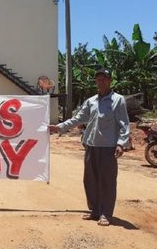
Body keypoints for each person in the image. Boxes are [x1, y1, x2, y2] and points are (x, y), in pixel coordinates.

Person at [48, 68, 130, 226]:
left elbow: (124, 124)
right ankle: (94, 210)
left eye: (104, 79)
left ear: (110, 81)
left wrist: (121, 143)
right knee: (90, 180)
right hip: (91, 145)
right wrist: (59, 127)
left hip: (108, 147)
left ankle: (106, 213)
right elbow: (78, 118)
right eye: (98, 79)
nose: (101, 82)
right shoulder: (91, 101)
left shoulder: (118, 100)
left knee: (107, 181)